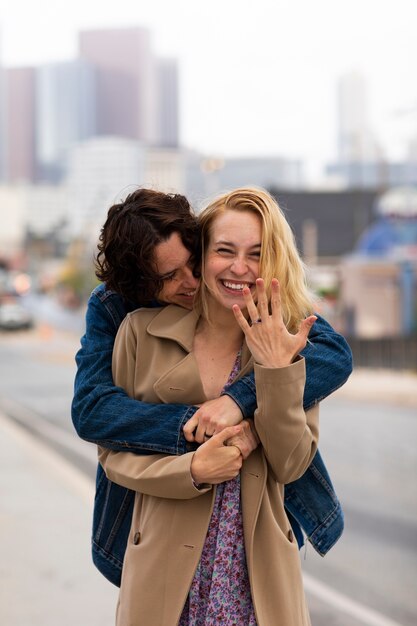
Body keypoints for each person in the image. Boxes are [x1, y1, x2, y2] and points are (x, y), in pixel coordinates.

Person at [71, 188, 351, 587]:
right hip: (159, 535)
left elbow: (334, 354)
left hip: (256, 548)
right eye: (168, 277)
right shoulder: (119, 311)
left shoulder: (268, 312)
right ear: (137, 286)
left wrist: (240, 403)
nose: (190, 283)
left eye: (192, 265)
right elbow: (93, 410)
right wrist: (196, 429)